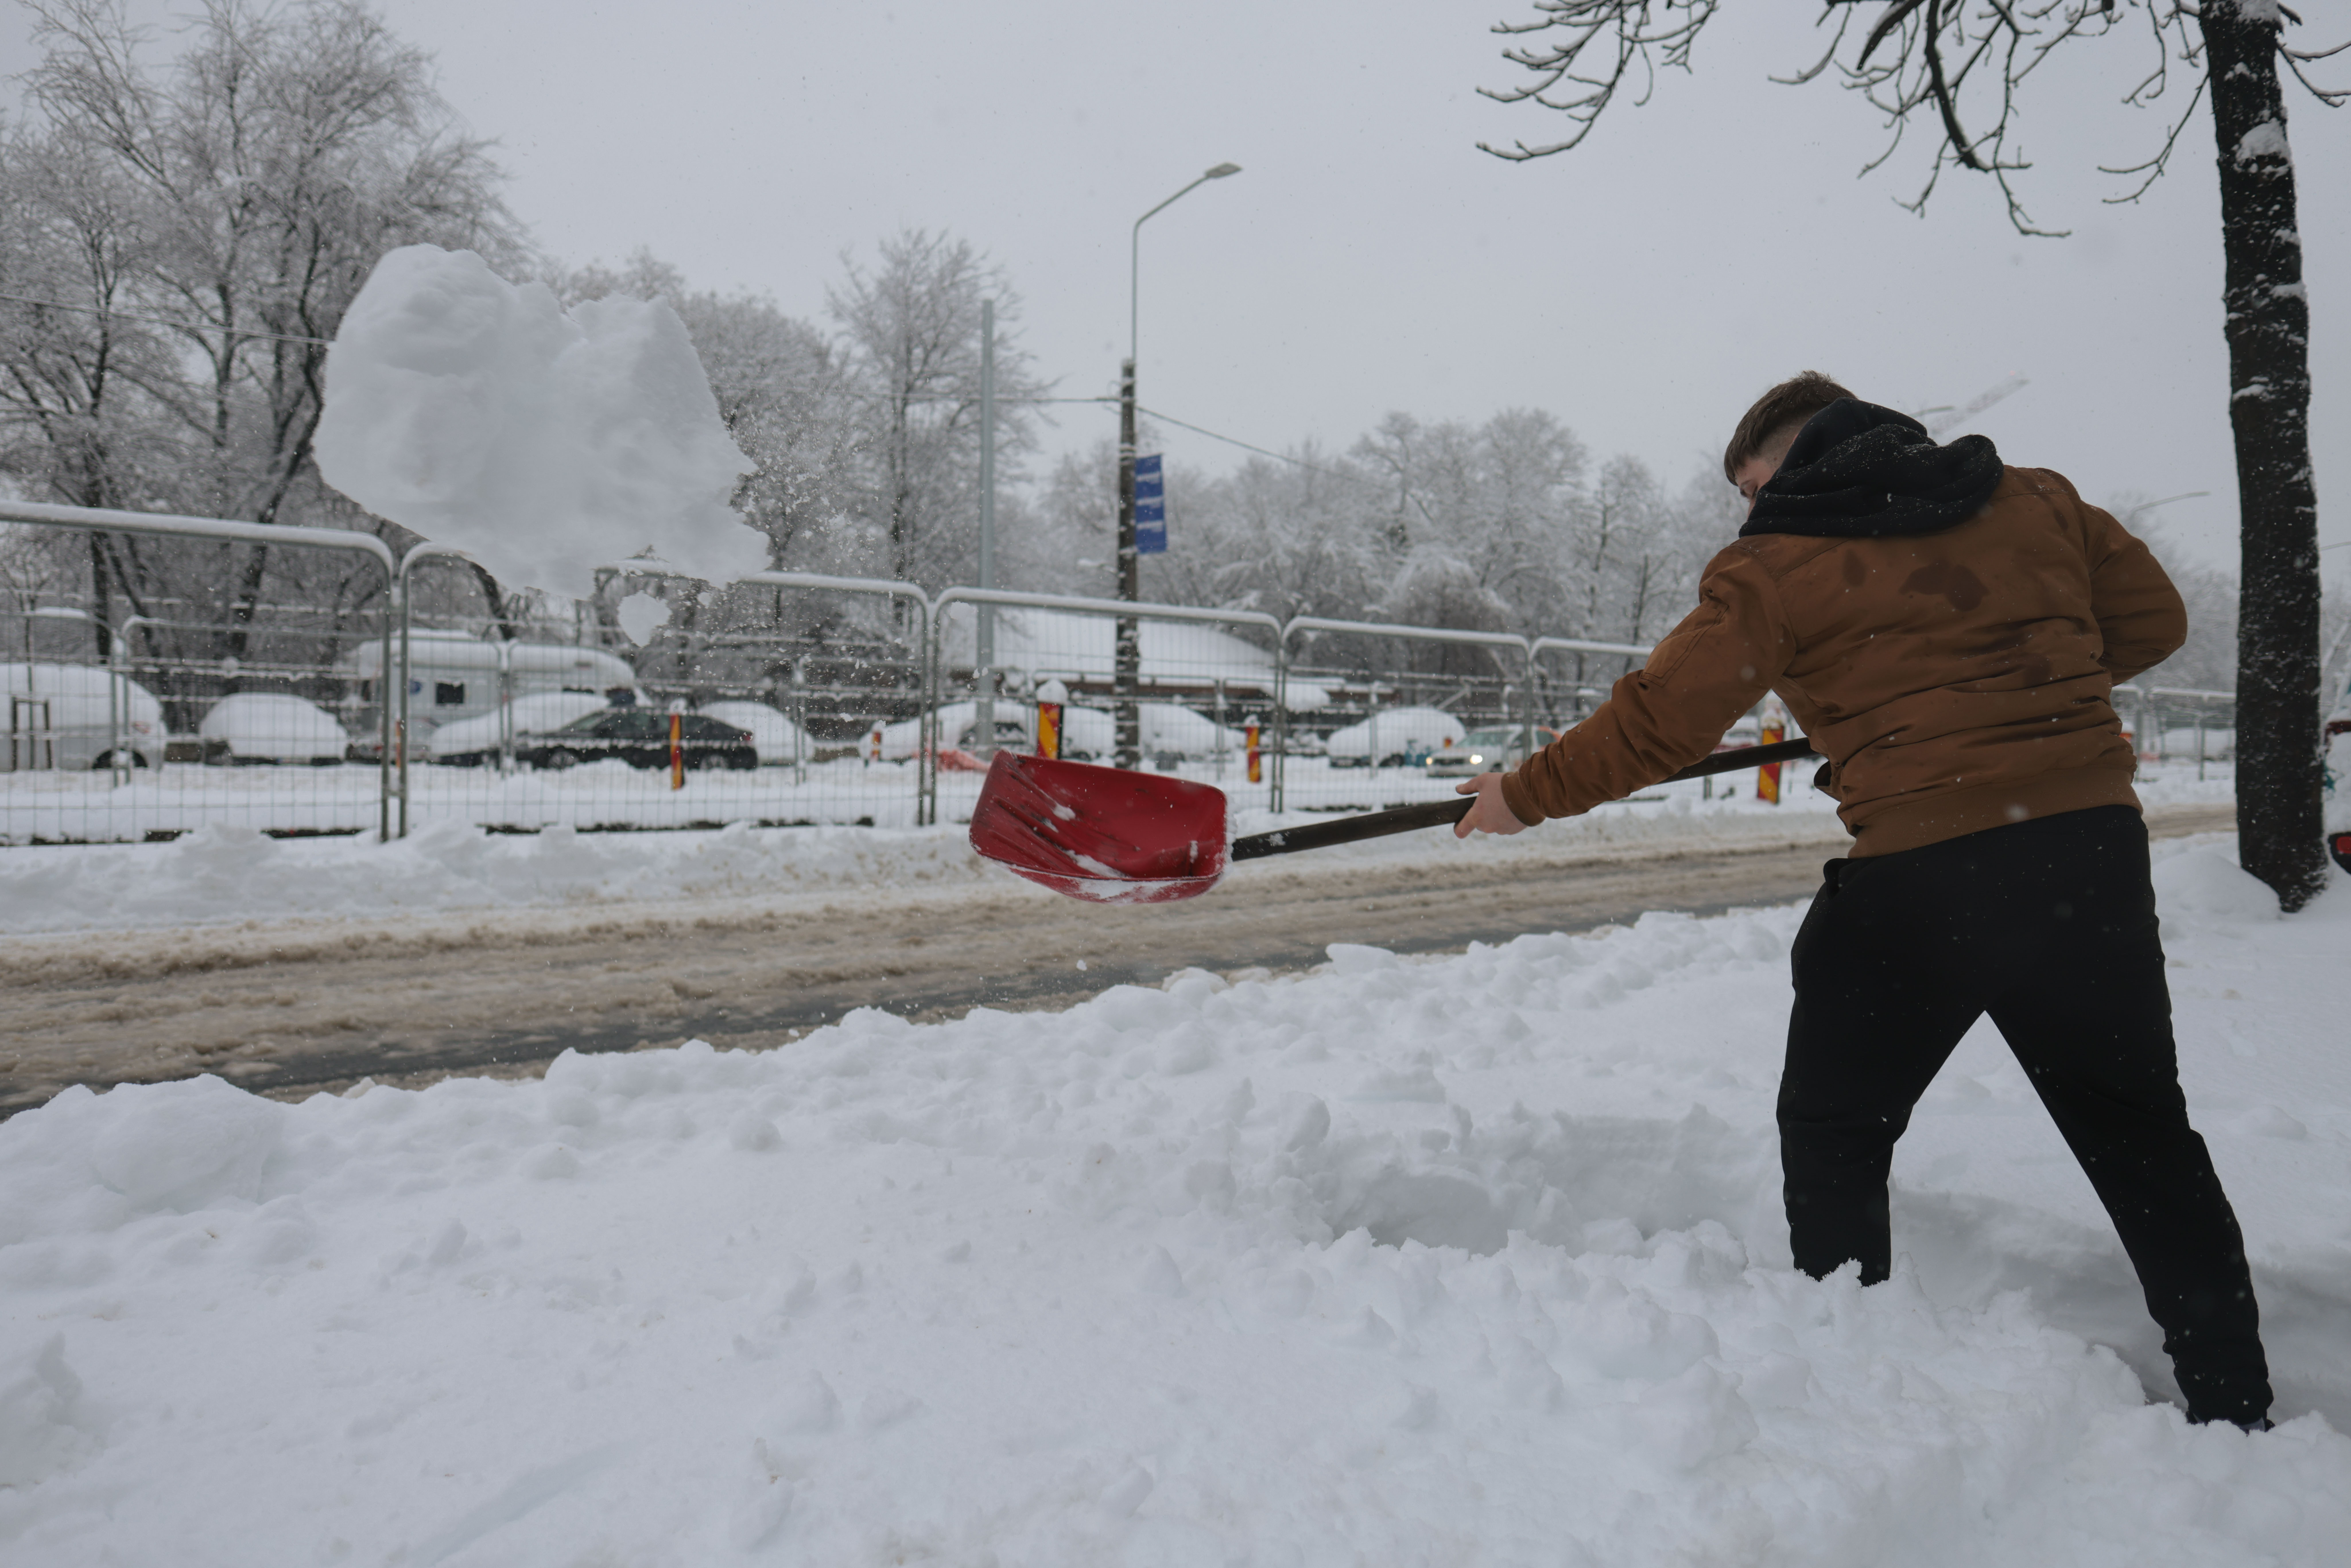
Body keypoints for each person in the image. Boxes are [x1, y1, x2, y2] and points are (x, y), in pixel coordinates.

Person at [1453, 372, 2273, 1429]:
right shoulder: (2038, 500)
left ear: (1799, 459)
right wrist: (2014, 681)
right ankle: (2235, 1403)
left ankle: (1849, 1382)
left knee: (1836, 1127)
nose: (1748, 511)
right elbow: (2155, 623)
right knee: (2143, 1138)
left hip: (1925, 878)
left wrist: (1521, 795)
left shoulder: (1774, 565)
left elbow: (1663, 720)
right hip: (2086, 857)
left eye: (1752, 485)